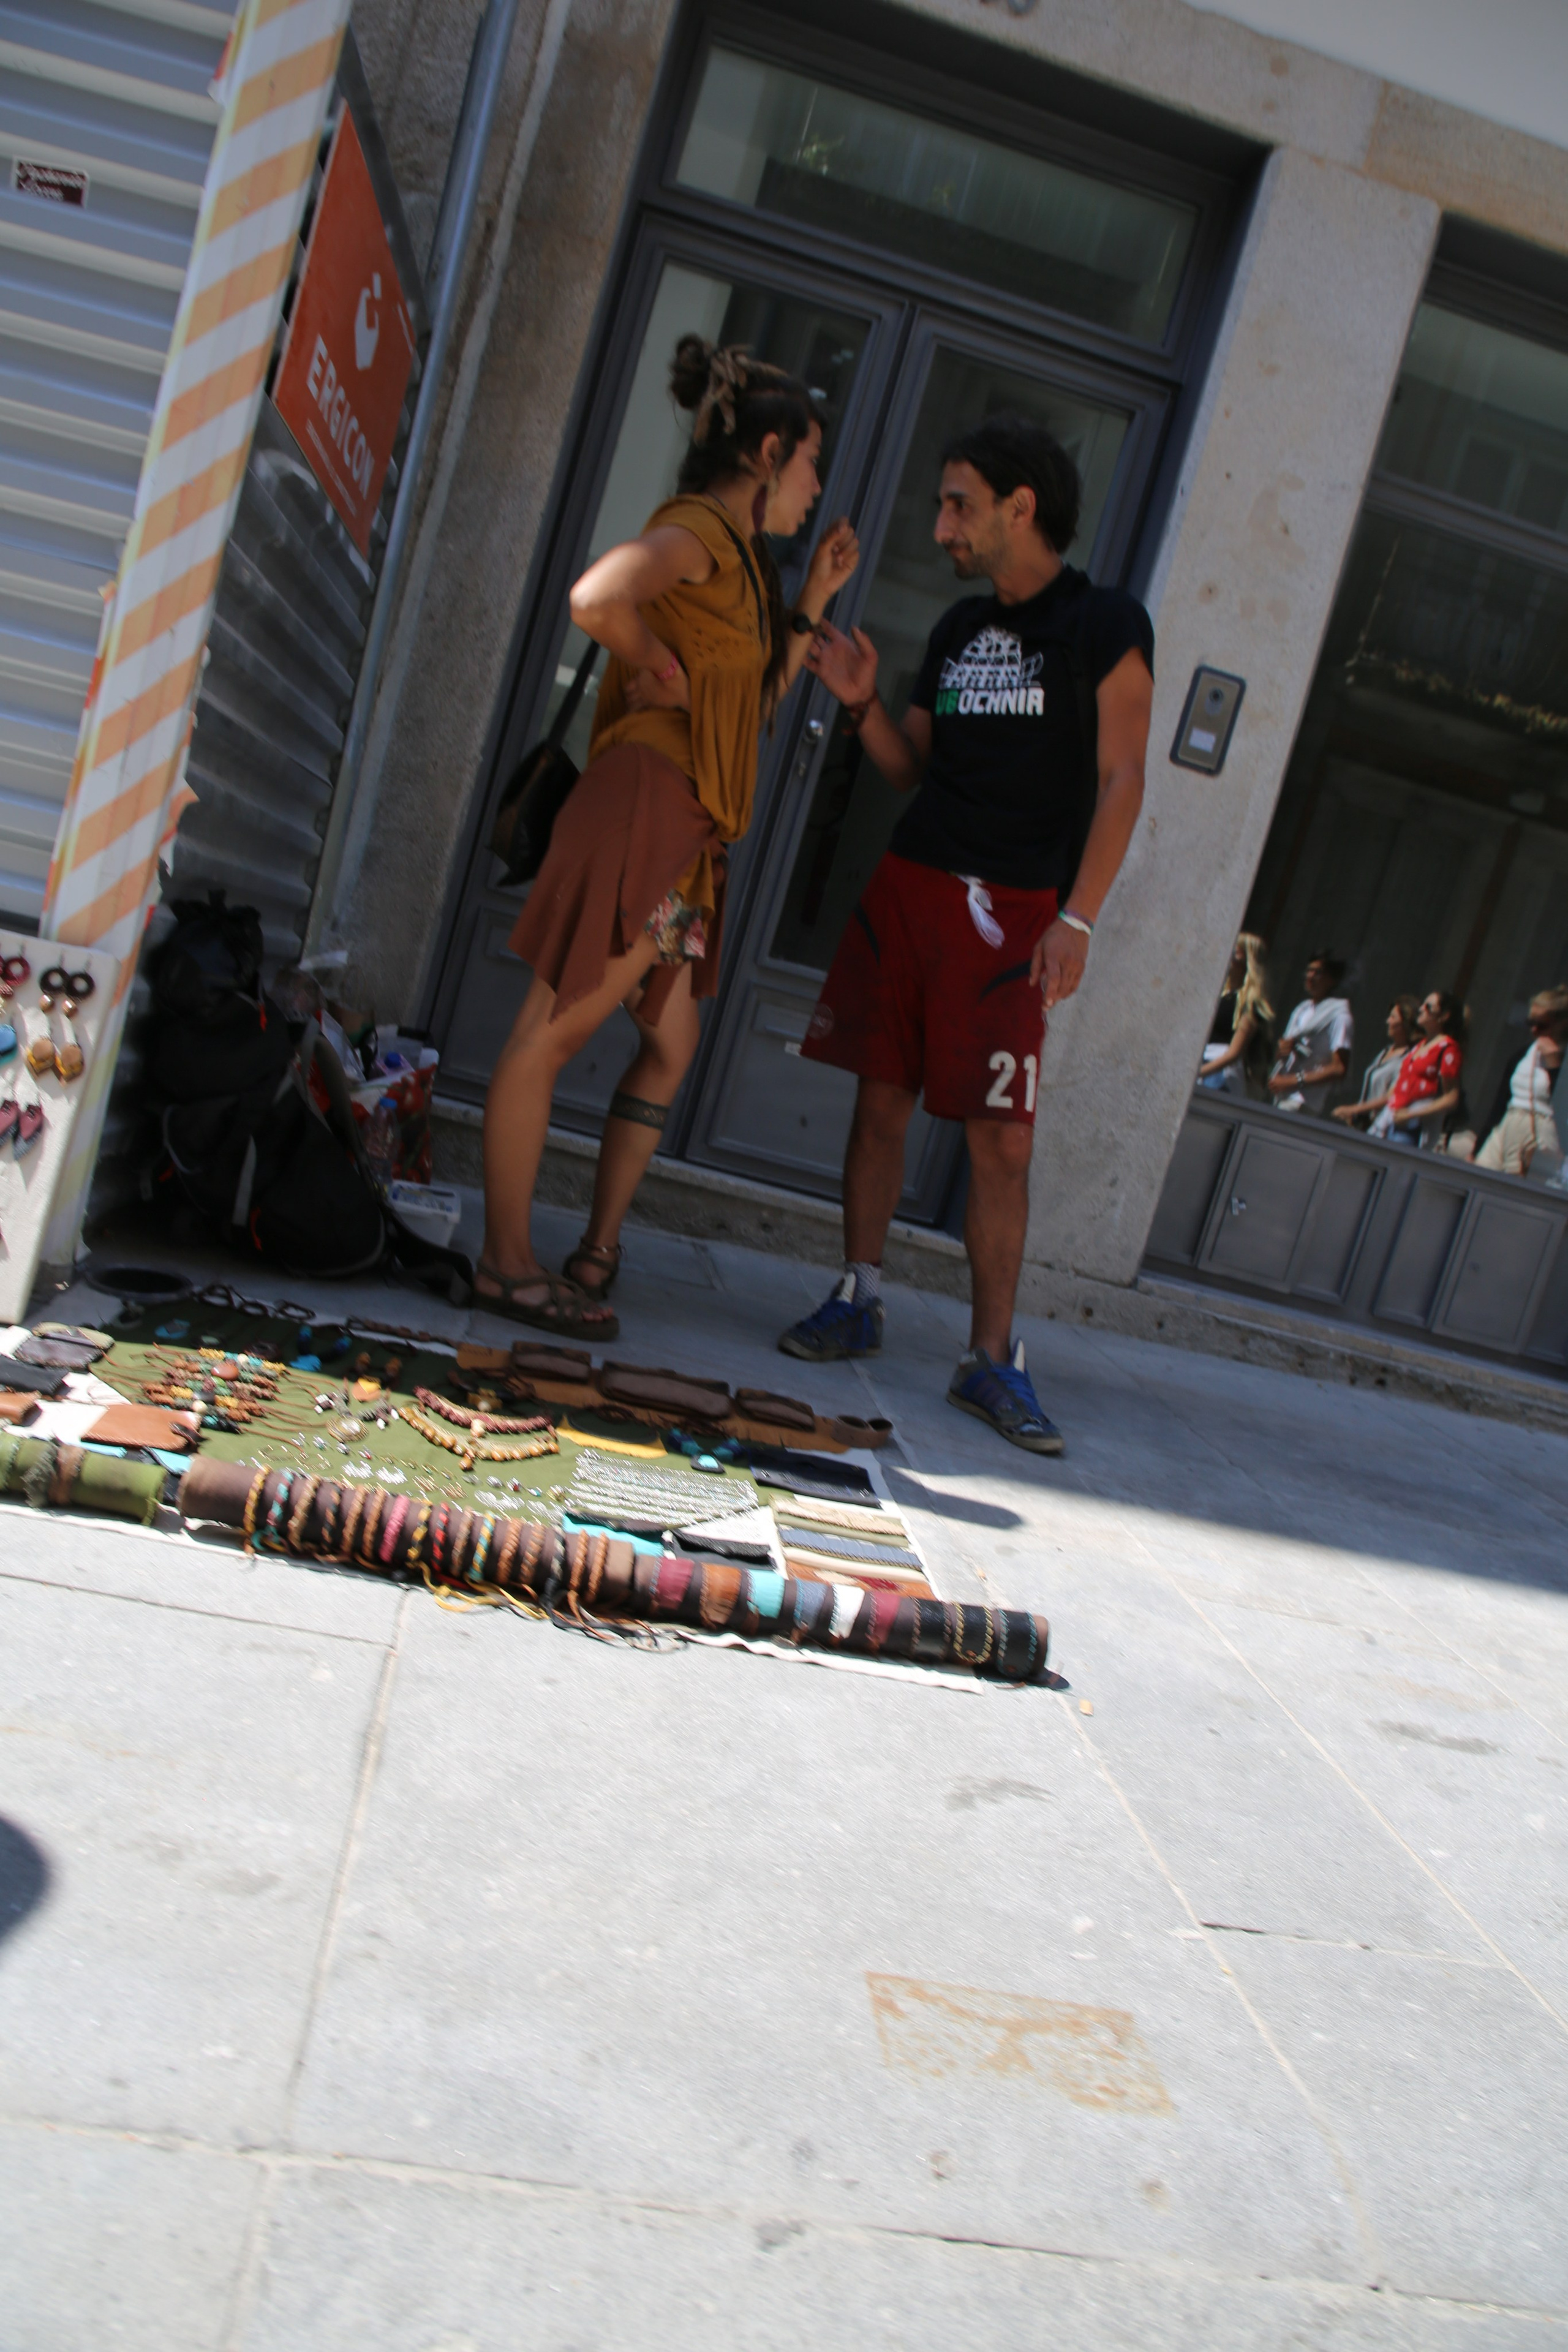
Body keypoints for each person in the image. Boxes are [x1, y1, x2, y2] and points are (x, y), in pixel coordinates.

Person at [777, 412, 1153, 1455]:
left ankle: (991, 1363)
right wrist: (862, 707)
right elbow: (913, 770)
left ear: (1019, 509)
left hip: (1018, 914)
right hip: (914, 892)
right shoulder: (955, 632)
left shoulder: (1107, 624)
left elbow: (1125, 776)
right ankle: (859, 1296)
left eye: (959, 504)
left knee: (1003, 1140)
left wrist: (1079, 915)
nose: (942, 524)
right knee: (880, 1104)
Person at [478, 338, 859, 1334]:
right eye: (812, 461)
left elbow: (754, 714)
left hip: (689, 833)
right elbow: (596, 597)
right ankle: (507, 1266)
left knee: (668, 1043)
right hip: (645, 802)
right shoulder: (694, 531)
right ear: (769, 452)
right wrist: (650, 659)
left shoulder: (742, 567)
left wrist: (810, 604)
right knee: (547, 1035)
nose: (818, 486)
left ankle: (597, 1250)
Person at [1476, 986, 1568, 1178]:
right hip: (1509, 1120)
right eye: (1530, 1022)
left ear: (1561, 1023)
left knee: (1513, 1189)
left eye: (1542, 1024)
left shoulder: (1562, 1059)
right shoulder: (1523, 1055)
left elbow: (1563, 1104)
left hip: (1538, 1126)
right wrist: (1478, 1145)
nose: (1534, 1030)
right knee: (1481, 1175)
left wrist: (1554, 1065)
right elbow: (1501, 1101)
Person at [1368, 988, 1463, 1146]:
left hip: (1411, 1127)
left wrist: (1411, 1114)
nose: (1421, 1009)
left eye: (1429, 1007)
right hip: (1390, 1120)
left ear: (1444, 1016)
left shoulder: (1447, 1049)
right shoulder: (1420, 1045)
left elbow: (1451, 1098)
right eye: (1423, 1005)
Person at [1267, 952, 1353, 1115]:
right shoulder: (1302, 1009)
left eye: (1318, 972)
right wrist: (1282, 1051)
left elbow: (1339, 1069)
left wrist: (1293, 1081)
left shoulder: (1339, 1016)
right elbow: (1284, 1054)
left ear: (1332, 980)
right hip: (1282, 1097)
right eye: (1309, 971)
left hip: (1302, 1103)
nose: (1311, 976)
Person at [1199, 933, 1272, 1096]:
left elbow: (1234, 1054)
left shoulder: (1250, 1002)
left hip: (1218, 1072)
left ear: (1247, 959)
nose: (1229, 954)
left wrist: (1199, 1073)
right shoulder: (1222, 994)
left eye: (1236, 951)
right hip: (1202, 1064)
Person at [1332, 995, 1419, 1128]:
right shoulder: (1385, 1052)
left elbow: (1392, 1096)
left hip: (1380, 1126)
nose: (1388, 1021)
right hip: (1363, 1124)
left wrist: (1354, 1109)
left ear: (1405, 1023)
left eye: (1393, 1017)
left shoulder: (1408, 1058)